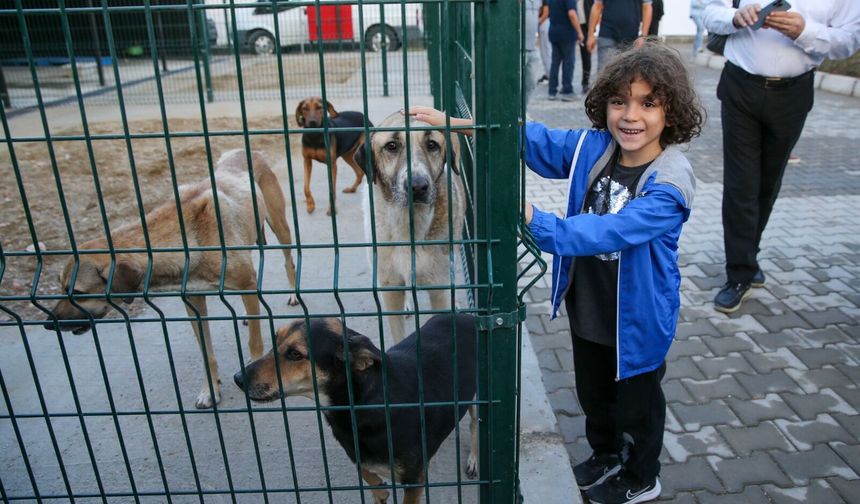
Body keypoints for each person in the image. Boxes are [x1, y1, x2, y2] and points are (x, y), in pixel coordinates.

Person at [407, 41, 704, 504]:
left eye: (648, 103)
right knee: (594, 395)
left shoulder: (670, 182)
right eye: (619, 101)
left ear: (673, 111)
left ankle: (642, 475)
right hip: (589, 307)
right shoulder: (595, 145)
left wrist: (534, 219)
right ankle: (605, 454)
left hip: (639, 320)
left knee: (638, 406)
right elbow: (538, 140)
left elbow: (610, 231)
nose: (631, 115)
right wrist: (465, 127)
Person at [703, 0, 860, 313]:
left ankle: (748, 254)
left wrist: (806, 30)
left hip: (794, 93)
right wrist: (734, 16)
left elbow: (849, 40)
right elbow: (709, 11)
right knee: (741, 185)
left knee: (768, 183)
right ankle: (739, 273)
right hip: (740, 87)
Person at [587, 0, 653, 72]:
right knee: (604, 72)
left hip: (631, 38)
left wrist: (643, 36)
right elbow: (597, 6)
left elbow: (647, 7)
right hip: (607, 33)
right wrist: (590, 35)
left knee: (626, 74)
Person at [548, 0, 585, 101]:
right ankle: (567, 91)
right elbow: (572, 13)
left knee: (555, 63)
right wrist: (580, 32)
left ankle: (552, 91)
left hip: (553, 31)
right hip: (566, 33)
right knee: (568, 62)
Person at [525, 0, 547, 101]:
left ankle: (523, 109)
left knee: (532, 81)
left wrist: (537, 23)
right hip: (519, 46)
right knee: (517, 83)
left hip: (532, 46)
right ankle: (517, 111)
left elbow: (543, 11)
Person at [577, 0, 594, 93]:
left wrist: (592, 30)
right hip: (571, 26)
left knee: (586, 57)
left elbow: (592, 10)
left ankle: (585, 82)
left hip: (585, 27)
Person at [538, 0, 552, 84]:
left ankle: (549, 74)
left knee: (546, 51)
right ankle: (548, 73)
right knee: (545, 51)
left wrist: (537, 22)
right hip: (545, 24)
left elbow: (546, 12)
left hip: (544, 24)